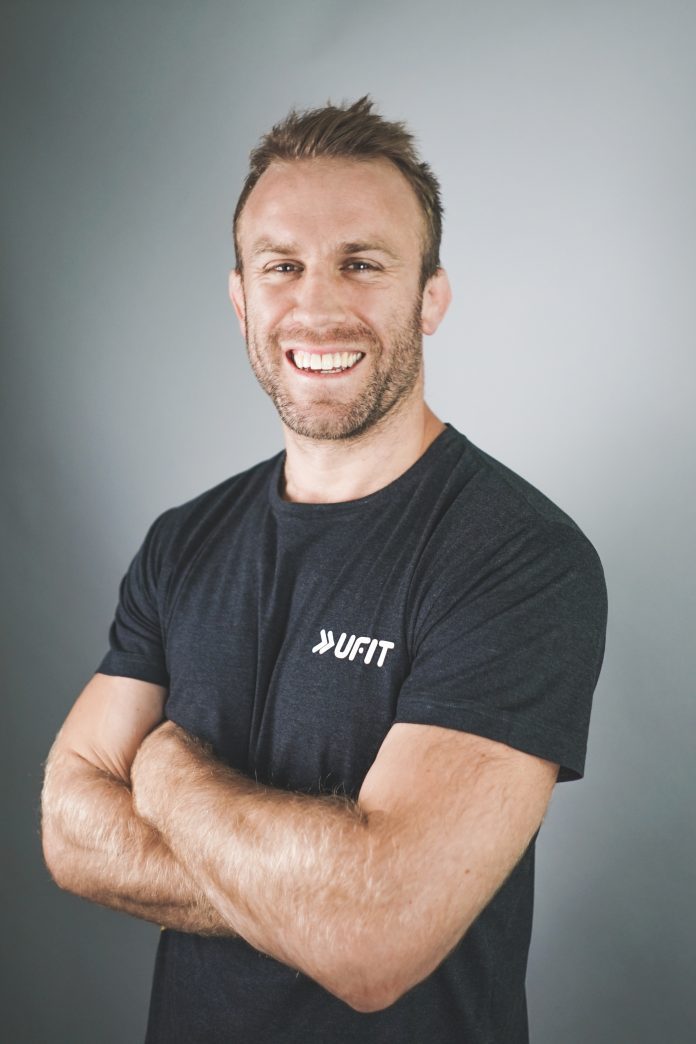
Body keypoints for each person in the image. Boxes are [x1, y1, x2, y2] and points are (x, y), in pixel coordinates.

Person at [40, 97, 608, 1043]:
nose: (316, 306)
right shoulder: (183, 543)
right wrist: (320, 902)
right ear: (241, 300)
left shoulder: (519, 557)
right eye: (282, 267)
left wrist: (165, 770)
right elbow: (69, 832)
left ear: (430, 296)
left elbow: (377, 940)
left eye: (362, 263)